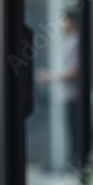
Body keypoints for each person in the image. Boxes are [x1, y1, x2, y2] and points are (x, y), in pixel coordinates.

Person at [38, 10, 82, 166]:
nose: (60, 25)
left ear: (70, 22)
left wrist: (51, 77)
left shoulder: (77, 40)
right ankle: (75, 167)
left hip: (75, 96)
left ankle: (78, 169)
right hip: (69, 96)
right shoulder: (70, 40)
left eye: (63, 21)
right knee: (72, 134)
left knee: (77, 135)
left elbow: (75, 70)